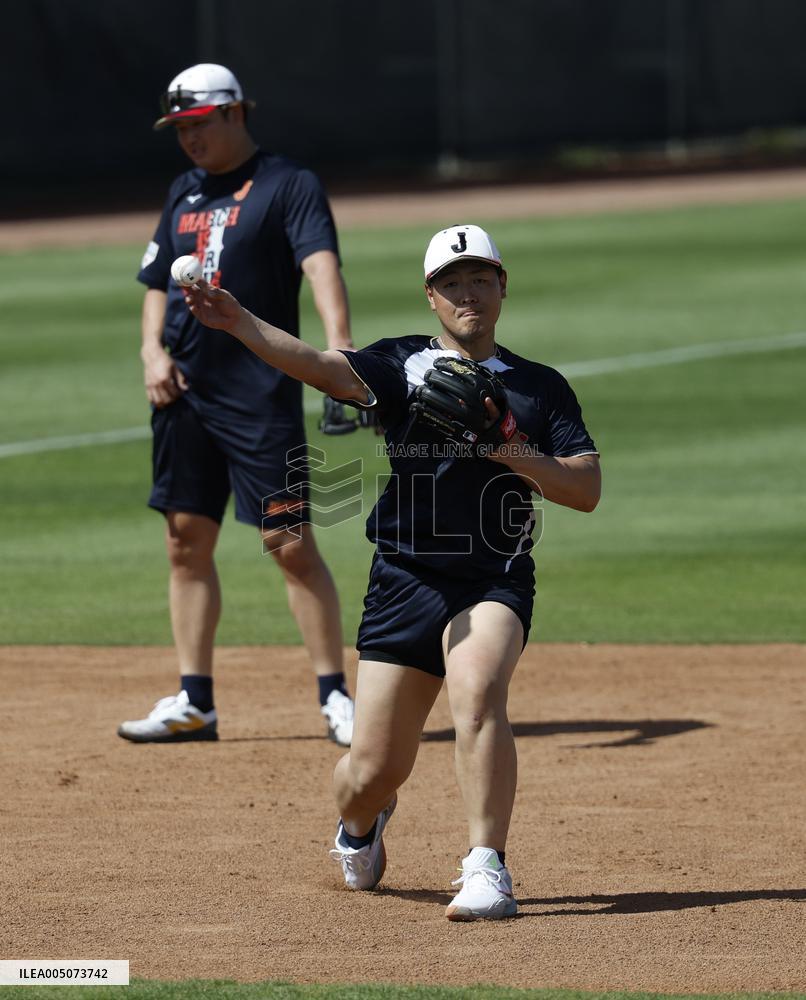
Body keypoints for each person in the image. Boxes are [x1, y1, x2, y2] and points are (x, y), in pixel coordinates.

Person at [181, 224, 601, 920]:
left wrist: (506, 446)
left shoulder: (539, 387)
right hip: (404, 579)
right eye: (452, 283)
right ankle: (361, 824)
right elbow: (318, 364)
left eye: (481, 279)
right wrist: (240, 322)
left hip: (492, 578)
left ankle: (486, 866)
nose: (469, 293)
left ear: (502, 286)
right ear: (432, 296)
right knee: (370, 772)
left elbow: (583, 489)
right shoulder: (403, 365)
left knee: (477, 691)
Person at [118, 63, 355, 747]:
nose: (187, 139)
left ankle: (336, 695)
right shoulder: (183, 191)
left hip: (259, 398)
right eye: (179, 129)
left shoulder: (289, 185)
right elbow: (157, 283)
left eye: (197, 125)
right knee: (184, 542)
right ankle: (195, 701)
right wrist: (151, 353)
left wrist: (340, 352)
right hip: (185, 399)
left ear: (234, 113)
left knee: (288, 543)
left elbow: (321, 268)